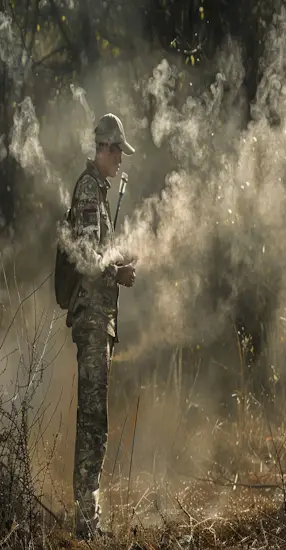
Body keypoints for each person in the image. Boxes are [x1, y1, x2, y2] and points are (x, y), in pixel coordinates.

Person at [68, 113, 136, 539]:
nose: (121, 162)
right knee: (93, 421)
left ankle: (88, 520)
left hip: (98, 320)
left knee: (96, 419)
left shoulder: (97, 188)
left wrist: (121, 259)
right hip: (94, 319)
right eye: (118, 153)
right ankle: (86, 524)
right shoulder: (91, 189)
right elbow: (91, 260)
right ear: (106, 148)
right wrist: (119, 274)